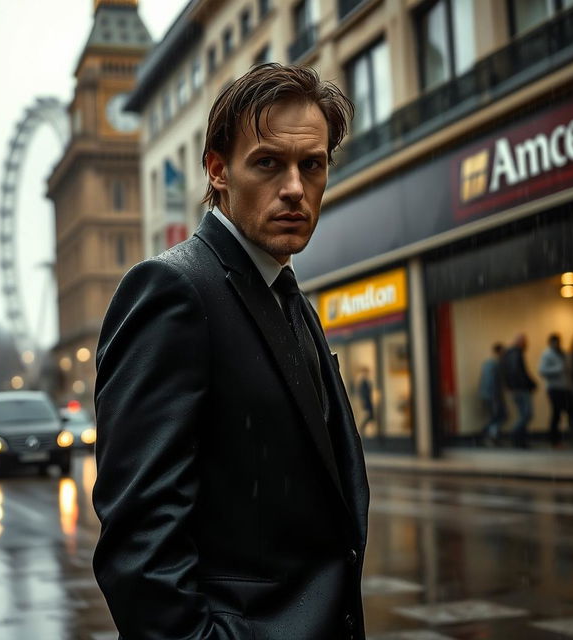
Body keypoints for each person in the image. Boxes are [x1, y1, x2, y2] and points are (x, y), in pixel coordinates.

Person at [92, 64, 370, 640]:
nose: (295, 187)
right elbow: (140, 543)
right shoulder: (174, 291)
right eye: (268, 162)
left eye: (311, 166)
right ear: (218, 171)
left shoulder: (288, 297)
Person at [539, 333, 573, 448]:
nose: (557, 344)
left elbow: (569, 371)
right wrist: (558, 368)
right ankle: (554, 440)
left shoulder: (562, 353)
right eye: (555, 342)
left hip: (566, 388)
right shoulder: (547, 354)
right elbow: (542, 370)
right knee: (557, 414)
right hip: (555, 388)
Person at [501, 334, 536, 448]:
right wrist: (529, 384)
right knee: (527, 414)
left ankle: (520, 440)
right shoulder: (516, 354)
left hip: (515, 388)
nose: (527, 344)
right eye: (525, 341)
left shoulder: (508, 354)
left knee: (523, 414)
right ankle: (515, 434)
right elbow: (519, 372)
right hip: (520, 388)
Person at [478, 342, 507, 445]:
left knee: (496, 416)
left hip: (486, 394)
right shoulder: (495, 364)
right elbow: (492, 381)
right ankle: (488, 434)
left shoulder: (487, 363)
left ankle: (490, 434)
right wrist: (495, 396)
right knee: (499, 416)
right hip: (493, 395)